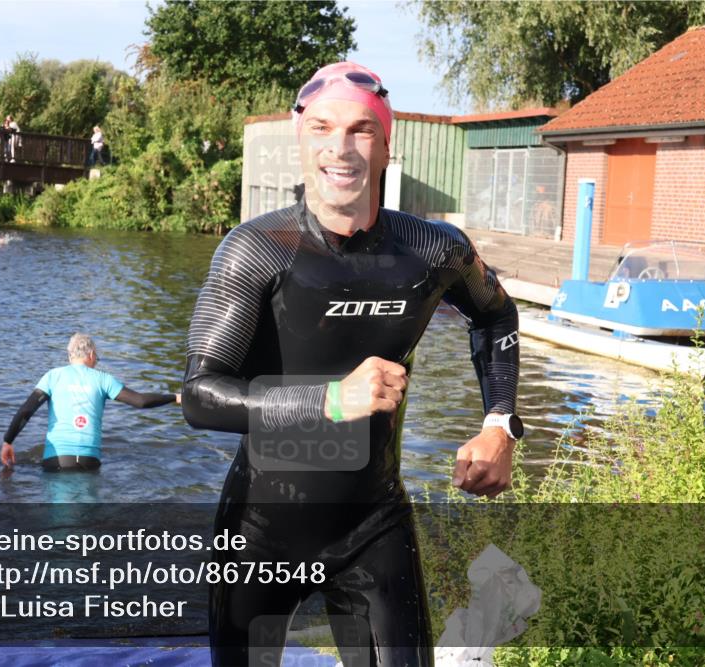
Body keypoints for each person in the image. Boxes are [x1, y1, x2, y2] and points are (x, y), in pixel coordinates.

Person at [182, 62, 522, 666]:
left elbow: (496, 315)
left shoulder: (432, 250)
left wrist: (499, 425)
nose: (340, 149)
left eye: (362, 130)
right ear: (301, 139)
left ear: (388, 146)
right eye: (322, 128)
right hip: (260, 529)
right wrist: (332, 400)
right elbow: (201, 396)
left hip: (374, 524)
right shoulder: (257, 250)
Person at [1, 333, 180, 472]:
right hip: (89, 461)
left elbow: (26, 410)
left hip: (56, 460)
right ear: (92, 355)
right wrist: (175, 397)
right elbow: (141, 401)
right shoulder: (104, 379)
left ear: (69, 356)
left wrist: (8, 441)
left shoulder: (52, 376)